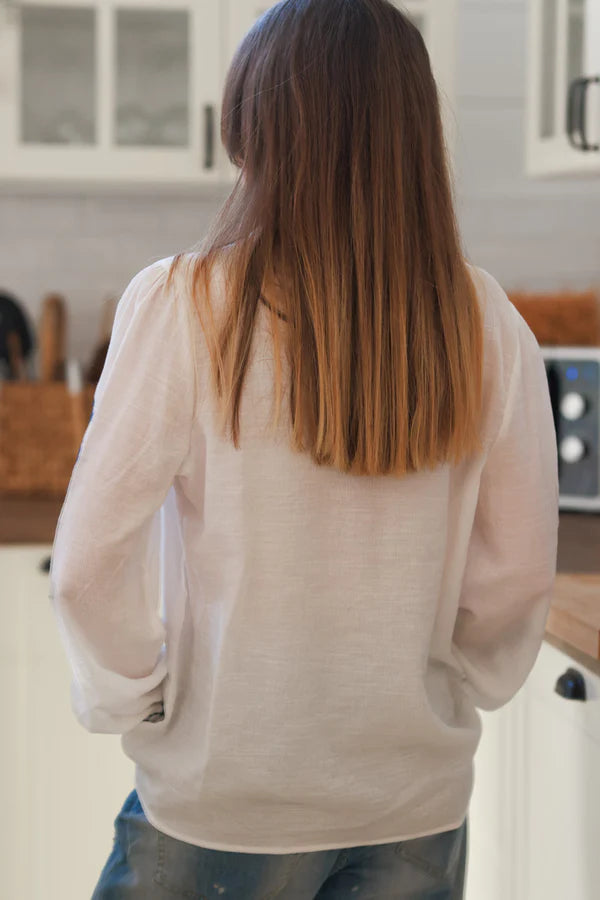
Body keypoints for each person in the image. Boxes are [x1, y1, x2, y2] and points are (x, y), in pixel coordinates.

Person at [48, 1, 559, 897]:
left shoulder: (185, 304)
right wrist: (445, 689)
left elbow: (88, 566)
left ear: (254, 126)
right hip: (414, 801)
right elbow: (517, 570)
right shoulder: (484, 322)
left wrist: (140, 696)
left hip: (225, 797)